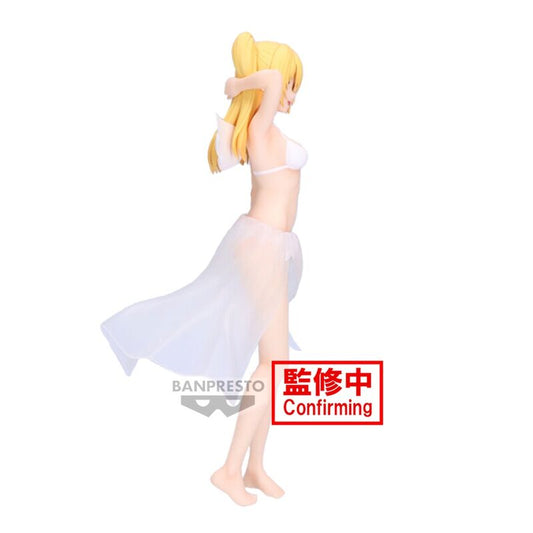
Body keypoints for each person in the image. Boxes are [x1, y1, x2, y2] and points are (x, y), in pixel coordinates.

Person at [100, 31, 307, 506]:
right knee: (274, 365)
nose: (290, 94)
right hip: (261, 246)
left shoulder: (268, 132)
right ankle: (229, 469)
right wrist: (237, 85)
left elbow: (273, 83)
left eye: (294, 87)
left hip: (272, 246)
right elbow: (270, 80)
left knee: (275, 365)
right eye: (290, 85)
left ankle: (253, 466)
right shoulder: (260, 129)